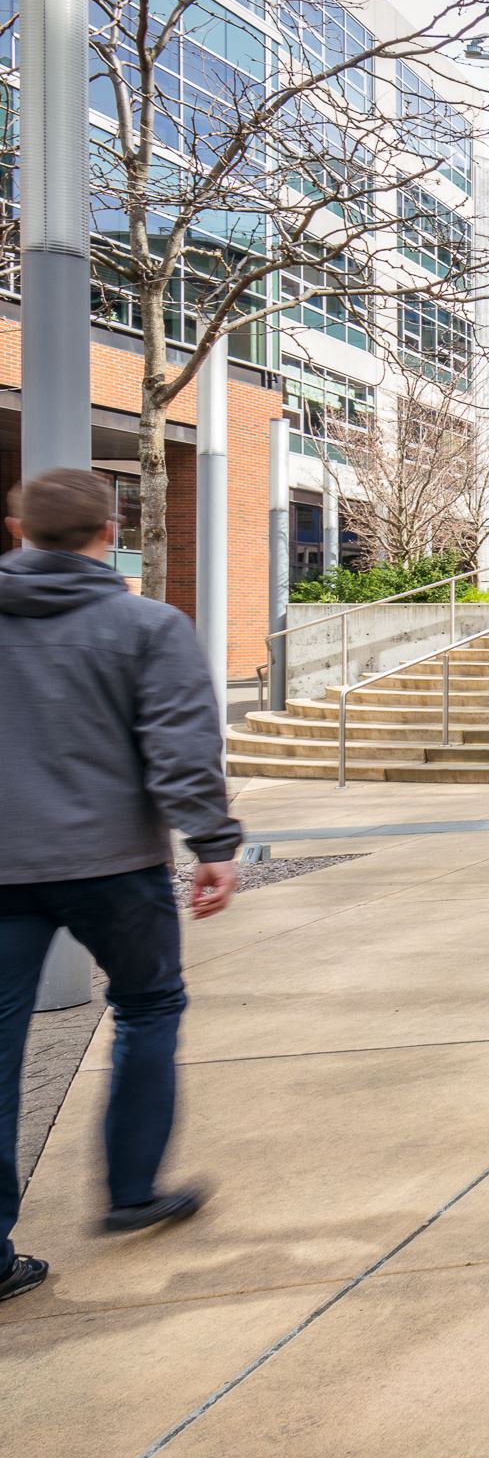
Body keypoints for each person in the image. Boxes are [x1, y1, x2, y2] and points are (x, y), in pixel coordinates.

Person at [0, 468, 235, 1305]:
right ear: (111, 531)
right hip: (114, 865)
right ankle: (131, 1193)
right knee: (147, 1008)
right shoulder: (147, 626)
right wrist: (213, 844)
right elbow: (181, 749)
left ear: (17, 527)